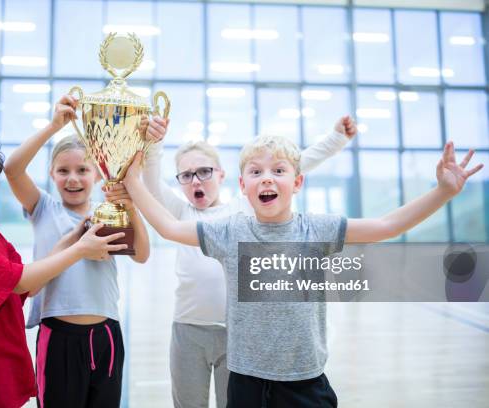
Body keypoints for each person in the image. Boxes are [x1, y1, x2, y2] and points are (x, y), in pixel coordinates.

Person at [122, 132, 482, 407]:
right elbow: (169, 228)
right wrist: (133, 182)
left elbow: (387, 225)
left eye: (278, 171)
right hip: (246, 382)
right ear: (243, 187)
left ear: (297, 182)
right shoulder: (229, 231)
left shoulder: (318, 229)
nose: (266, 178)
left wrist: (443, 193)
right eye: (256, 172)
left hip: (305, 383)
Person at [140, 117, 357, 408]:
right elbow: (151, 186)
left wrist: (336, 139)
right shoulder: (181, 212)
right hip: (188, 329)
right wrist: (153, 145)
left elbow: (291, 163)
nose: (196, 180)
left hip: (238, 337)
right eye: (186, 175)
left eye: (204, 171)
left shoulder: (242, 211)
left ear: (222, 175)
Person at [0, 132, 123, 407]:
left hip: (0, 367)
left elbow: (29, 285)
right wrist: (79, 250)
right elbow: (19, 282)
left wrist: (74, 239)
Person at [3, 94, 166, 407]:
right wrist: (53, 126)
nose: (73, 178)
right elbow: (12, 169)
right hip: (58, 336)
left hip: (107, 335)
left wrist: (130, 206)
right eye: (63, 171)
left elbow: (142, 254)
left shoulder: (108, 211)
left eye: (82, 169)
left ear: (97, 173)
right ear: (51, 175)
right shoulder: (44, 209)